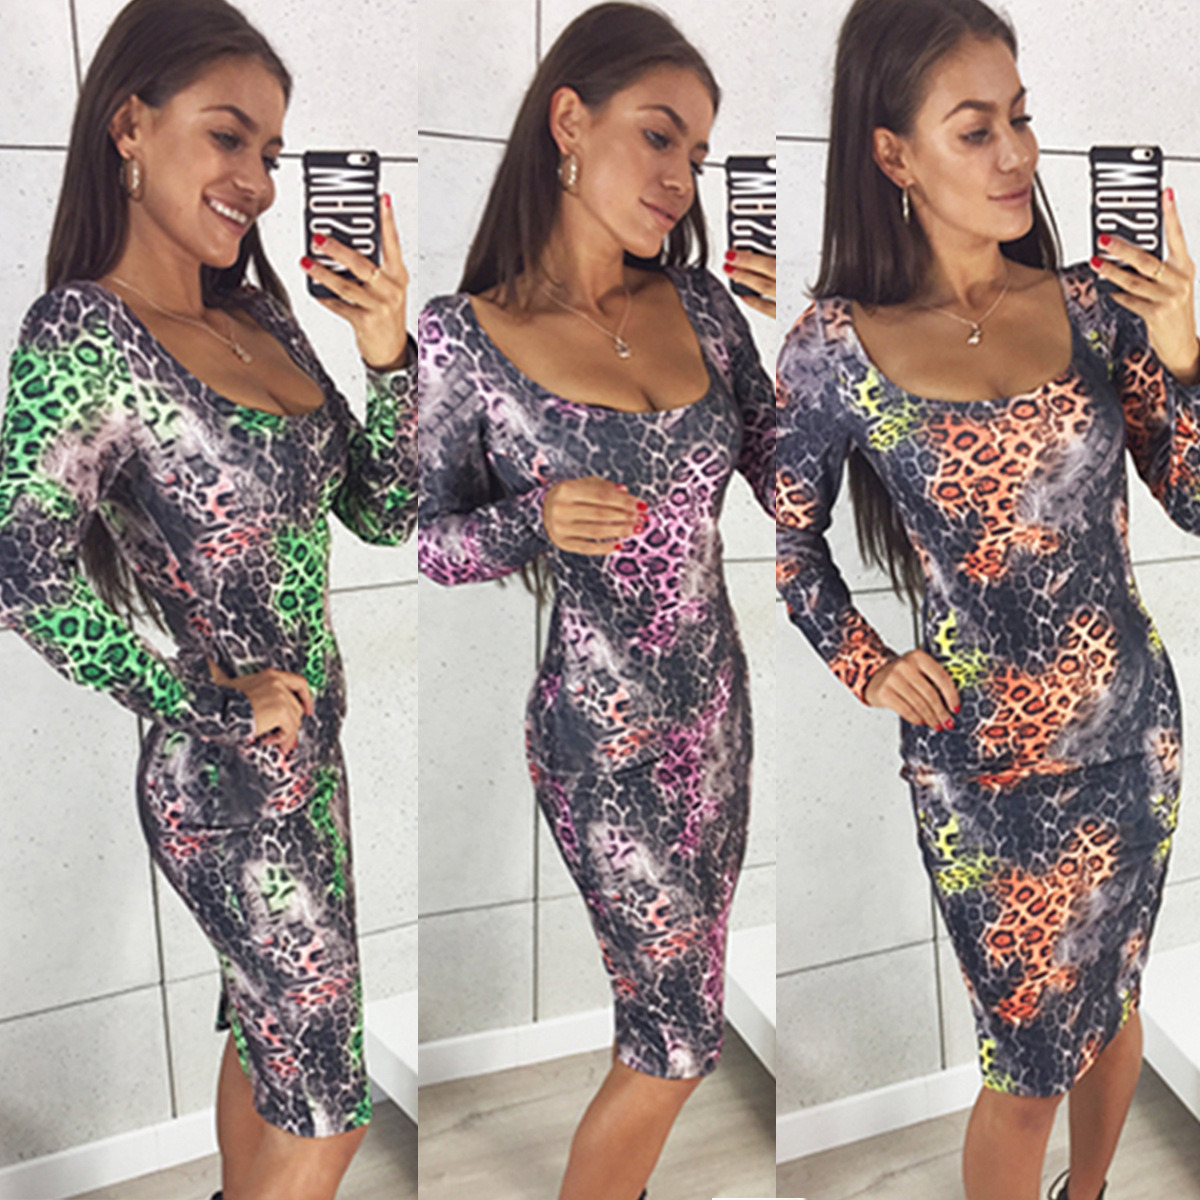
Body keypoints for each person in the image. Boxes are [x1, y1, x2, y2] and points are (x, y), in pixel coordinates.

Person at [776, 1, 1200, 1198]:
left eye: (1021, 118)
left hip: (1131, 735)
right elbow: (793, 550)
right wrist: (867, 663)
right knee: (1024, 1072)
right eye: (975, 130)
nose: (1016, 154)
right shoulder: (834, 347)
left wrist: (1184, 349)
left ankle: (1090, 1192)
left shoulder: (1099, 307)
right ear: (892, 153)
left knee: (1114, 1002)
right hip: (979, 765)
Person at [0, 2, 415, 1197]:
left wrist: (387, 350)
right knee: (330, 1112)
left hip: (312, 762)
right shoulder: (85, 331)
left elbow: (382, 509)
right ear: (130, 125)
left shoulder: (255, 312)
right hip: (226, 785)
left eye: (272, 153)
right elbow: (21, 569)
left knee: (268, 1030)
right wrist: (214, 703)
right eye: (228, 138)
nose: (260, 183)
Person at [417, 4, 775, 1197]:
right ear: (569, 121)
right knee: (678, 1040)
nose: (680, 180)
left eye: (698, 156)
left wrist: (805, 336)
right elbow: (424, 539)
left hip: (715, 721)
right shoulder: (466, 337)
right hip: (599, 739)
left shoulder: (707, 309)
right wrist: (534, 517)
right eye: (658, 137)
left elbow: (791, 479)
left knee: (678, 1013)